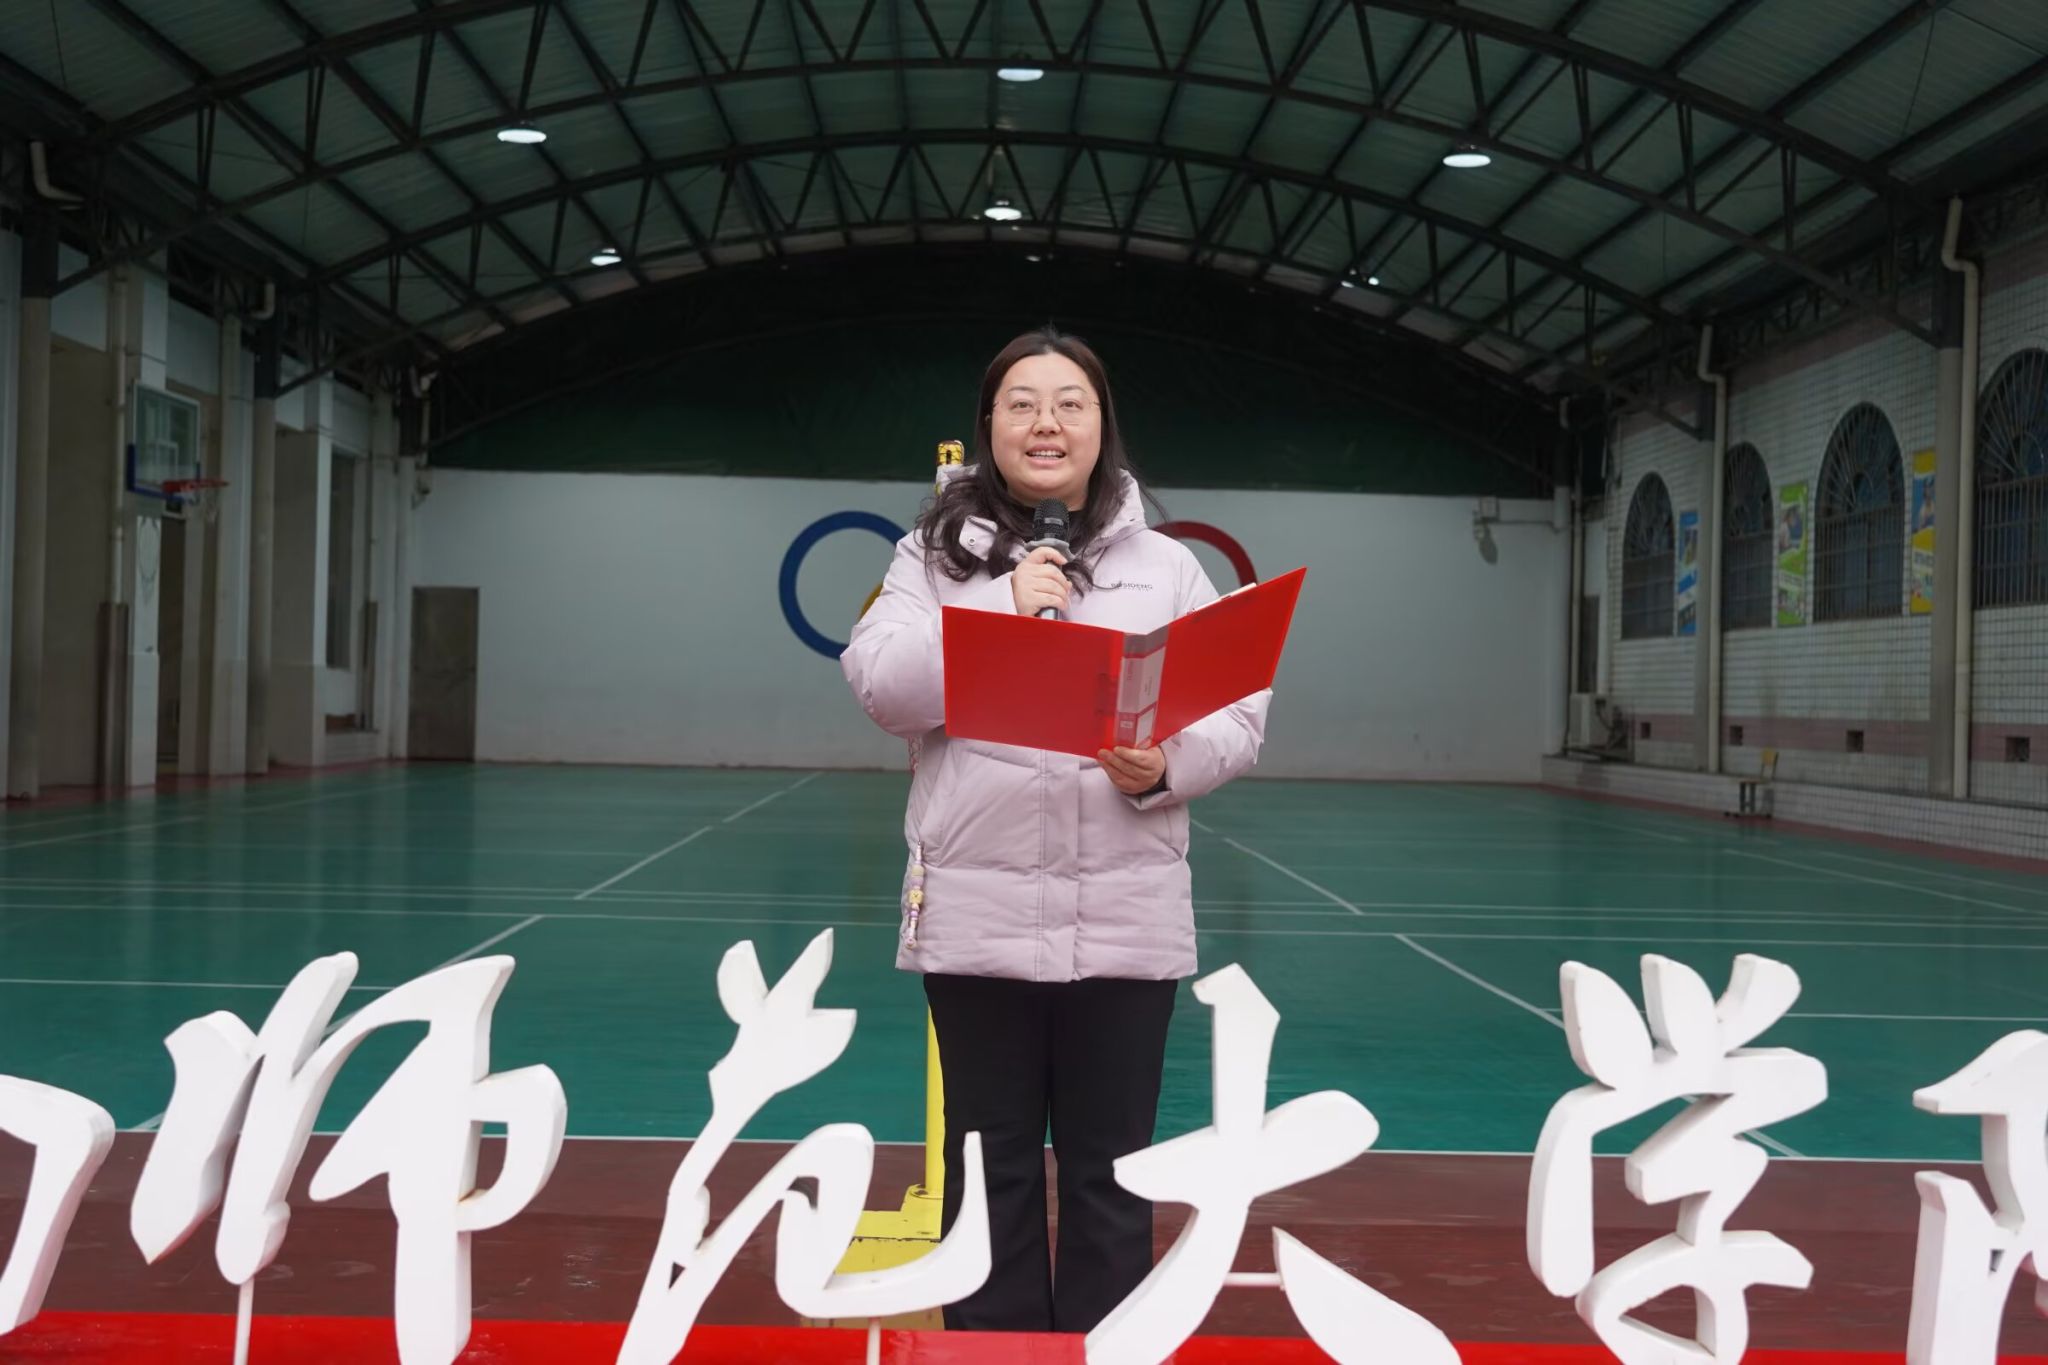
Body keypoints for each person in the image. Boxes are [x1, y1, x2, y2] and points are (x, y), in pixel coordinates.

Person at [839, 325, 1271, 1334]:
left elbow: (1236, 714)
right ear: (988, 426)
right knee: (983, 1181)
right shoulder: (931, 560)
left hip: (1125, 925)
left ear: (1100, 426)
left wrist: (1165, 765)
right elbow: (882, 687)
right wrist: (997, 605)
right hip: (976, 923)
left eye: (1070, 403)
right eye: (1022, 403)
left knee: (1112, 1179)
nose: (1046, 423)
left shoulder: (1167, 568)